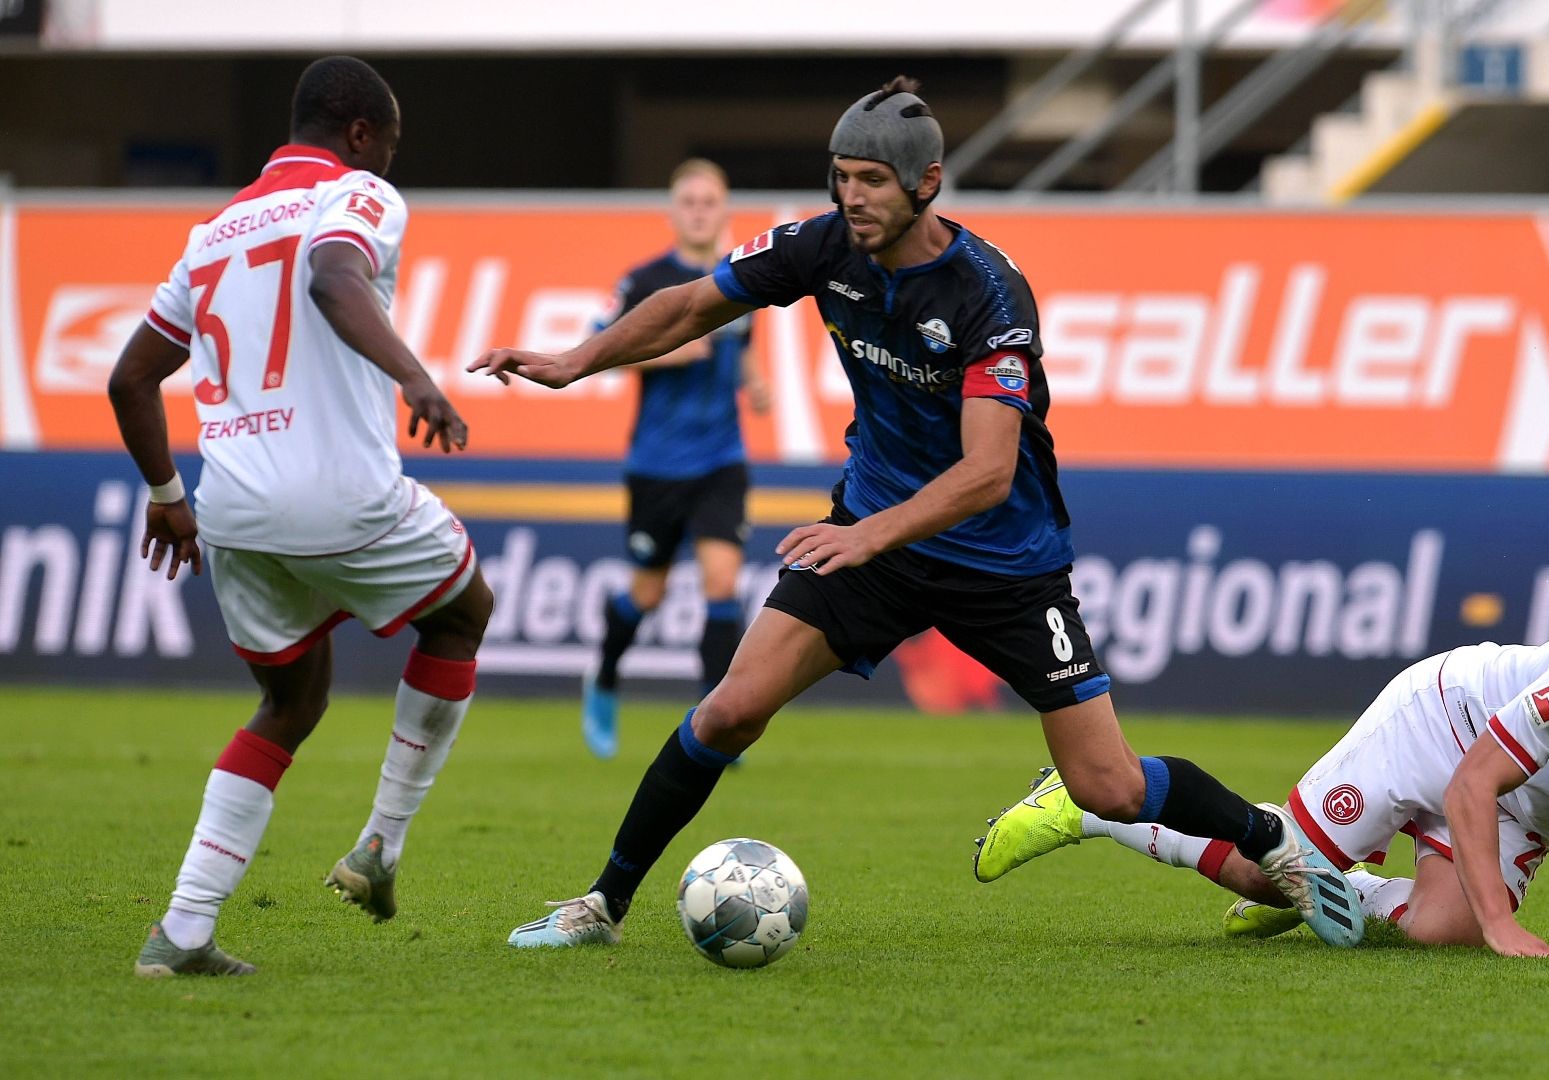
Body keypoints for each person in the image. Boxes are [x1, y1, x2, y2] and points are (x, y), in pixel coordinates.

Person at [469, 76, 1364, 951]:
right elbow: (694, 304)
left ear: (926, 184)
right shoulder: (824, 246)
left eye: (871, 181)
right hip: (875, 545)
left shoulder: (989, 296)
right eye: (841, 176)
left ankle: (1266, 837)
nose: (850, 197)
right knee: (728, 711)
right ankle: (601, 906)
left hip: (1003, 562)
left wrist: (865, 533)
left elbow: (985, 472)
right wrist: (573, 362)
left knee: (1109, 786)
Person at [108, 56, 494, 977]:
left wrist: (167, 498)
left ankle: (183, 932)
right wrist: (414, 375)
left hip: (229, 507)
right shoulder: (357, 194)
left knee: (290, 698)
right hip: (339, 492)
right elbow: (332, 276)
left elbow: (129, 378)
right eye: (389, 148)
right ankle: (379, 848)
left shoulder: (210, 233)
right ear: (361, 134)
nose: (389, 166)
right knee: (464, 612)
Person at [976, 626, 1549, 960]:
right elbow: (1472, 783)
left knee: (1433, 932)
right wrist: (1505, 924)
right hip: (1446, 727)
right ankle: (1092, 804)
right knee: (1264, 874)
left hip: (1525, 805)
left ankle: (1318, 885)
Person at [581, 158, 771, 759]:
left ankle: (717, 718)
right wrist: (667, 352)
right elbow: (597, 348)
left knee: (721, 582)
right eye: (688, 201)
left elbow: (743, 347)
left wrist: (755, 383)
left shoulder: (741, 278)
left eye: (708, 201)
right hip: (657, 463)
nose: (698, 210)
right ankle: (605, 677)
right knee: (648, 593)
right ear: (672, 211)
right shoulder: (644, 282)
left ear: (725, 211)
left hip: (722, 457)